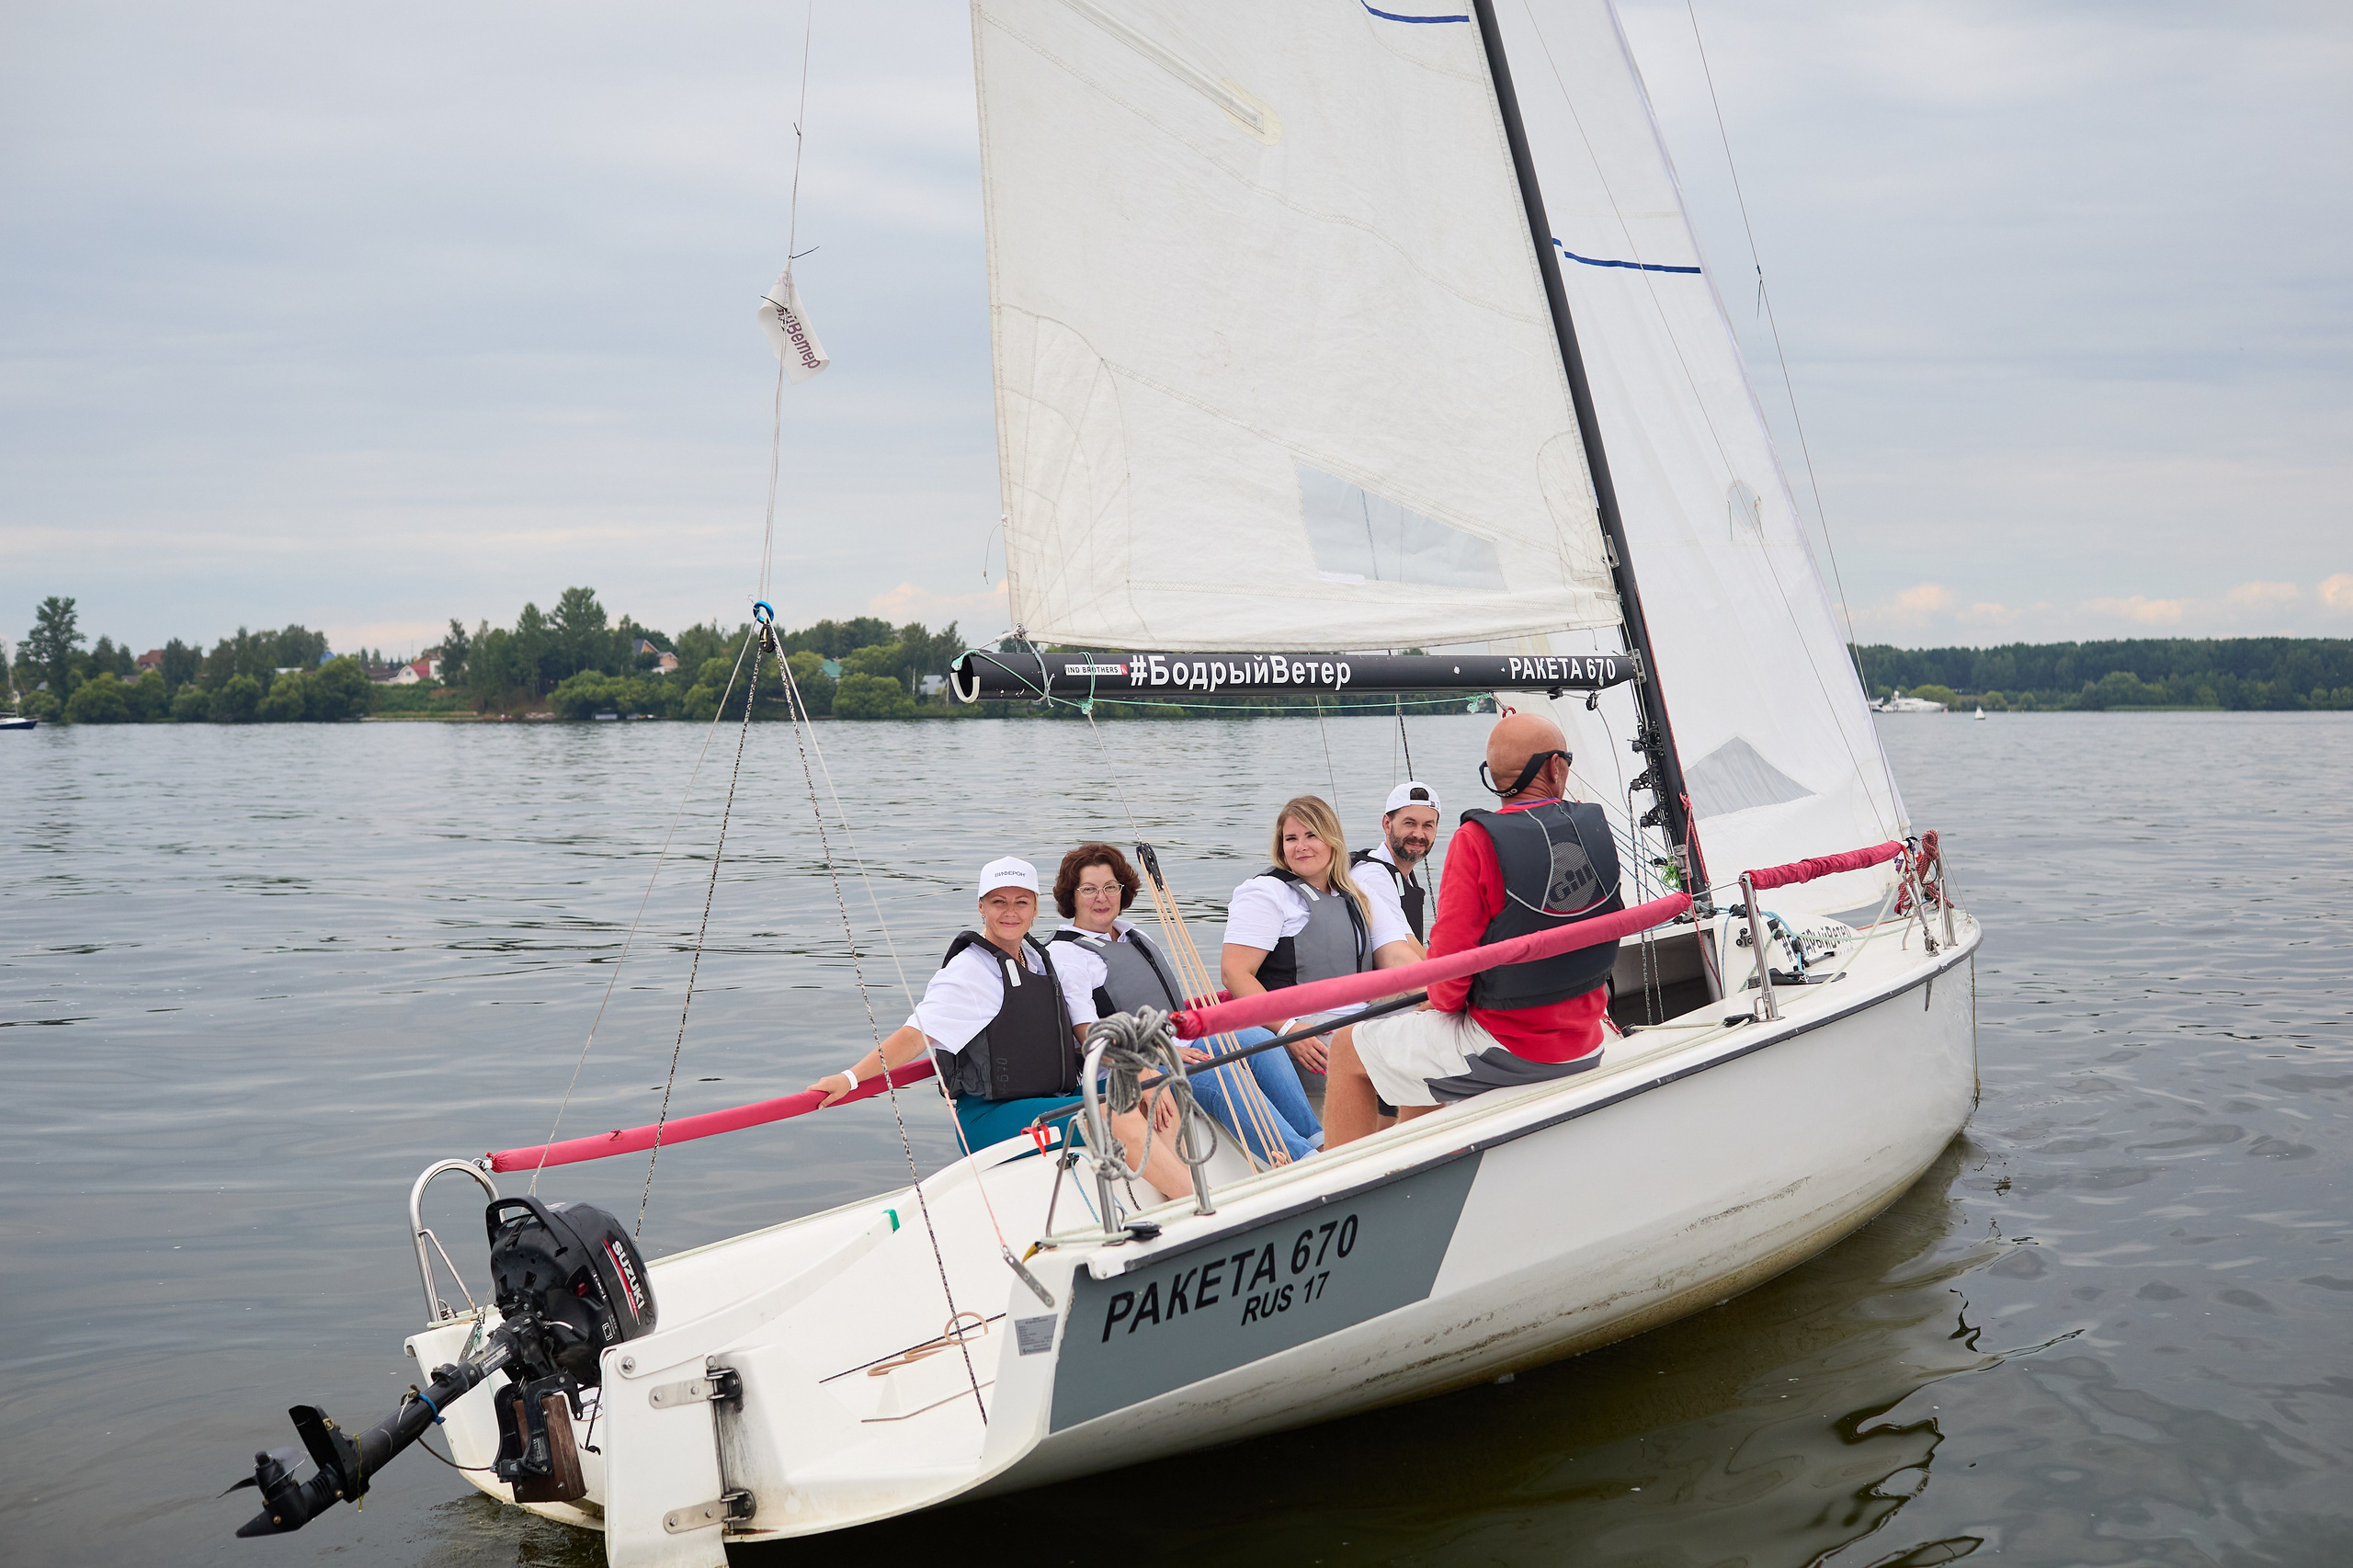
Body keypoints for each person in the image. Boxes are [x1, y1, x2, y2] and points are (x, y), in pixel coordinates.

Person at [806, 855, 1195, 1197]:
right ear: (981, 907)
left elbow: (1081, 1031)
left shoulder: (1037, 959)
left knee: (1150, 1083)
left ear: (1035, 908)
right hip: (992, 1117)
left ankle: (1180, 1186)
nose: (1010, 912)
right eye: (999, 902)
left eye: (1020, 902)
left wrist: (1139, 1067)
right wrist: (851, 1079)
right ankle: (1198, 1206)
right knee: (1113, 1111)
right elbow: (914, 1036)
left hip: (1049, 1099)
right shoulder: (970, 972)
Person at [1324, 712, 1624, 1147]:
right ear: (1555, 767)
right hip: (1587, 1037)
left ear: (1492, 777)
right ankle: (1412, 1157)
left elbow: (1446, 989)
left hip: (1511, 1048)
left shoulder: (1476, 839)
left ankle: (1341, 1188)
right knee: (1419, 1039)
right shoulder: (1594, 825)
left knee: (1347, 1047)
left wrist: (1444, 998)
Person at [1049, 843, 1321, 1165]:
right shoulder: (1066, 955)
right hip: (1127, 1068)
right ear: (1072, 896)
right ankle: (1302, 1160)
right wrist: (1161, 1053)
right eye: (1089, 889)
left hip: (1179, 1043)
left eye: (1110, 887)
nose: (1102, 897)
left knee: (1261, 1040)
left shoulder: (1133, 935)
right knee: (1223, 1075)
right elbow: (1090, 1036)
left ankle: (1318, 1140)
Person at [1220, 795, 1419, 1112]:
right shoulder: (1266, 893)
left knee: (1435, 1028)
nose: (1301, 846)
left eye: (1311, 835)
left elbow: (1397, 957)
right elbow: (1235, 973)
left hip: (1361, 1015)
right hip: (1304, 1030)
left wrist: (1441, 999)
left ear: (1332, 840)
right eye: (1291, 838)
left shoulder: (1356, 894)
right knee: (1394, 1059)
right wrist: (1288, 1030)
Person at [1350, 780, 1441, 948]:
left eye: (1428, 825)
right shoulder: (1372, 877)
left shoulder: (1402, 875)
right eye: (1410, 823)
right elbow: (1409, 951)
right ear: (1387, 824)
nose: (1419, 834)